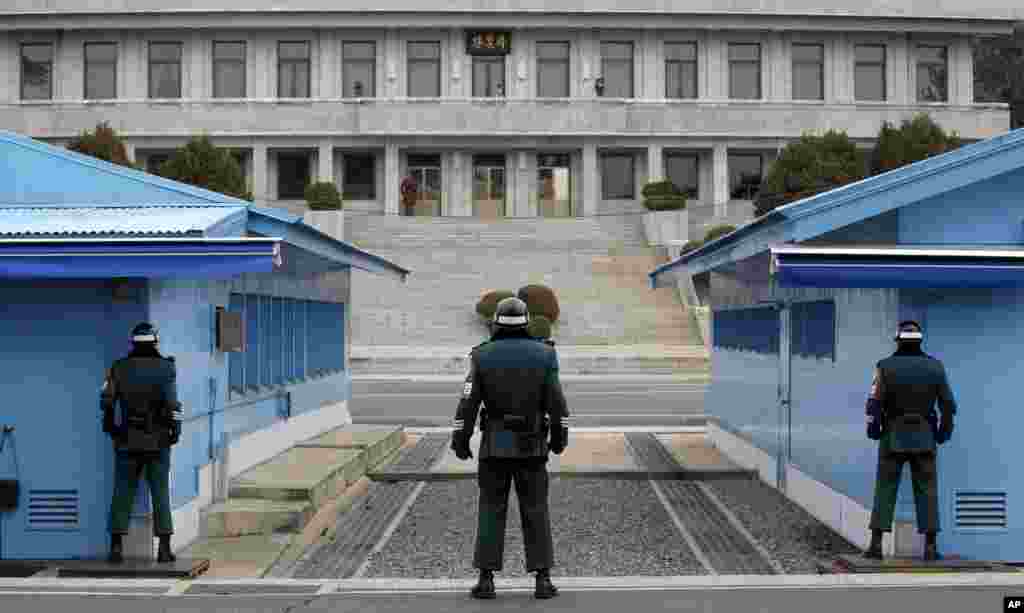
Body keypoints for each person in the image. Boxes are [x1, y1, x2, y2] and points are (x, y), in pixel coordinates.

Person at [451, 297, 570, 599]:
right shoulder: (545, 354)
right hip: (532, 445)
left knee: (491, 508)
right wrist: (559, 437)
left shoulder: (481, 356)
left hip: (495, 445)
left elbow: (467, 403)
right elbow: (557, 403)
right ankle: (543, 580)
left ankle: (486, 579)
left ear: (496, 324)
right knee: (536, 510)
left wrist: (460, 439)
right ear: (527, 323)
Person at [864, 320, 956, 561]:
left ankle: (876, 544)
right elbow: (948, 405)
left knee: (885, 488)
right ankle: (930, 546)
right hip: (925, 437)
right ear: (920, 341)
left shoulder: (884, 367)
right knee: (927, 490)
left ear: (898, 341)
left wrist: (873, 430)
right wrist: (943, 433)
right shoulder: (936, 367)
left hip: (892, 435)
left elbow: (874, 404)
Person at [100, 322, 183, 564]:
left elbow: (106, 401)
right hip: (158, 440)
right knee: (160, 493)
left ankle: (116, 549)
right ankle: (164, 549)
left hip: (126, 439)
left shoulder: (119, 367)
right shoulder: (166, 368)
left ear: (133, 343)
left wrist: (111, 429)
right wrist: (175, 432)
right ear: (155, 342)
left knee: (122, 492)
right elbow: (172, 405)